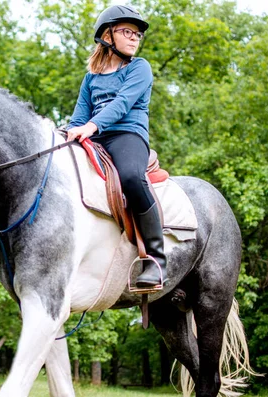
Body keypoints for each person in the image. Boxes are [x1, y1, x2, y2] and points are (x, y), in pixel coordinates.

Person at [66, 4, 167, 289]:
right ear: (107, 36)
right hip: (95, 138)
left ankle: (157, 260)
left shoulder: (139, 68)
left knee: (132, 178)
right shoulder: (91, 78)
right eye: (127, 32)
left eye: (137, 34)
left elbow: (122, 105)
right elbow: (78, 117)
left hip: (127, 135)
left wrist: (90, 127)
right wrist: (68, 134)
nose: (135, 38)